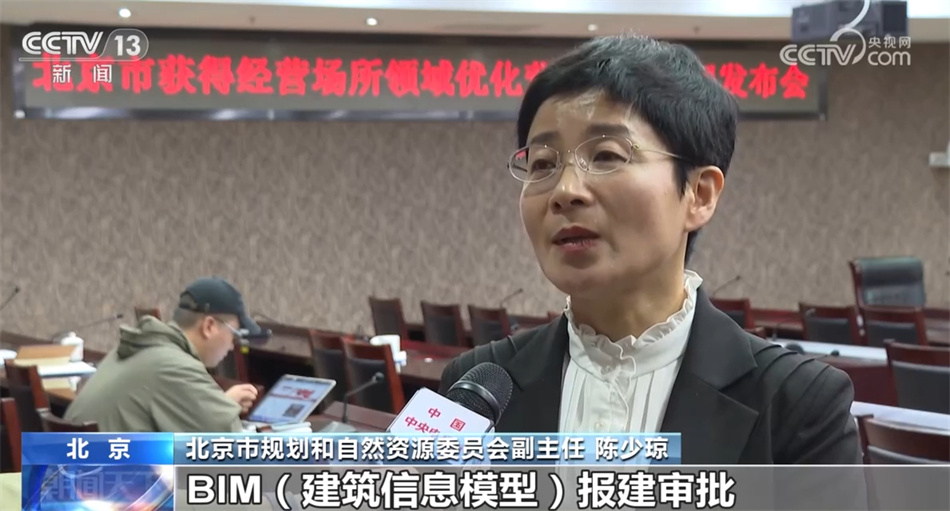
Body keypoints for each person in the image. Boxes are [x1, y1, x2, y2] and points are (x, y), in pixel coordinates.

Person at [439, 35, 864, 466]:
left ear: (699, 194)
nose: (565, 191)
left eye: (606, 155)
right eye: (543, 164)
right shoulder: (476, 389)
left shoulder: (797, 404)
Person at [65, 277, 263, 432]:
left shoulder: (139, 347)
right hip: (105, 471)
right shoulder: (176, 366)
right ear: (209, 326)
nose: (232, 346)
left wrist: (220, 405)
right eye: (234, 335)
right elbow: (232, 449)